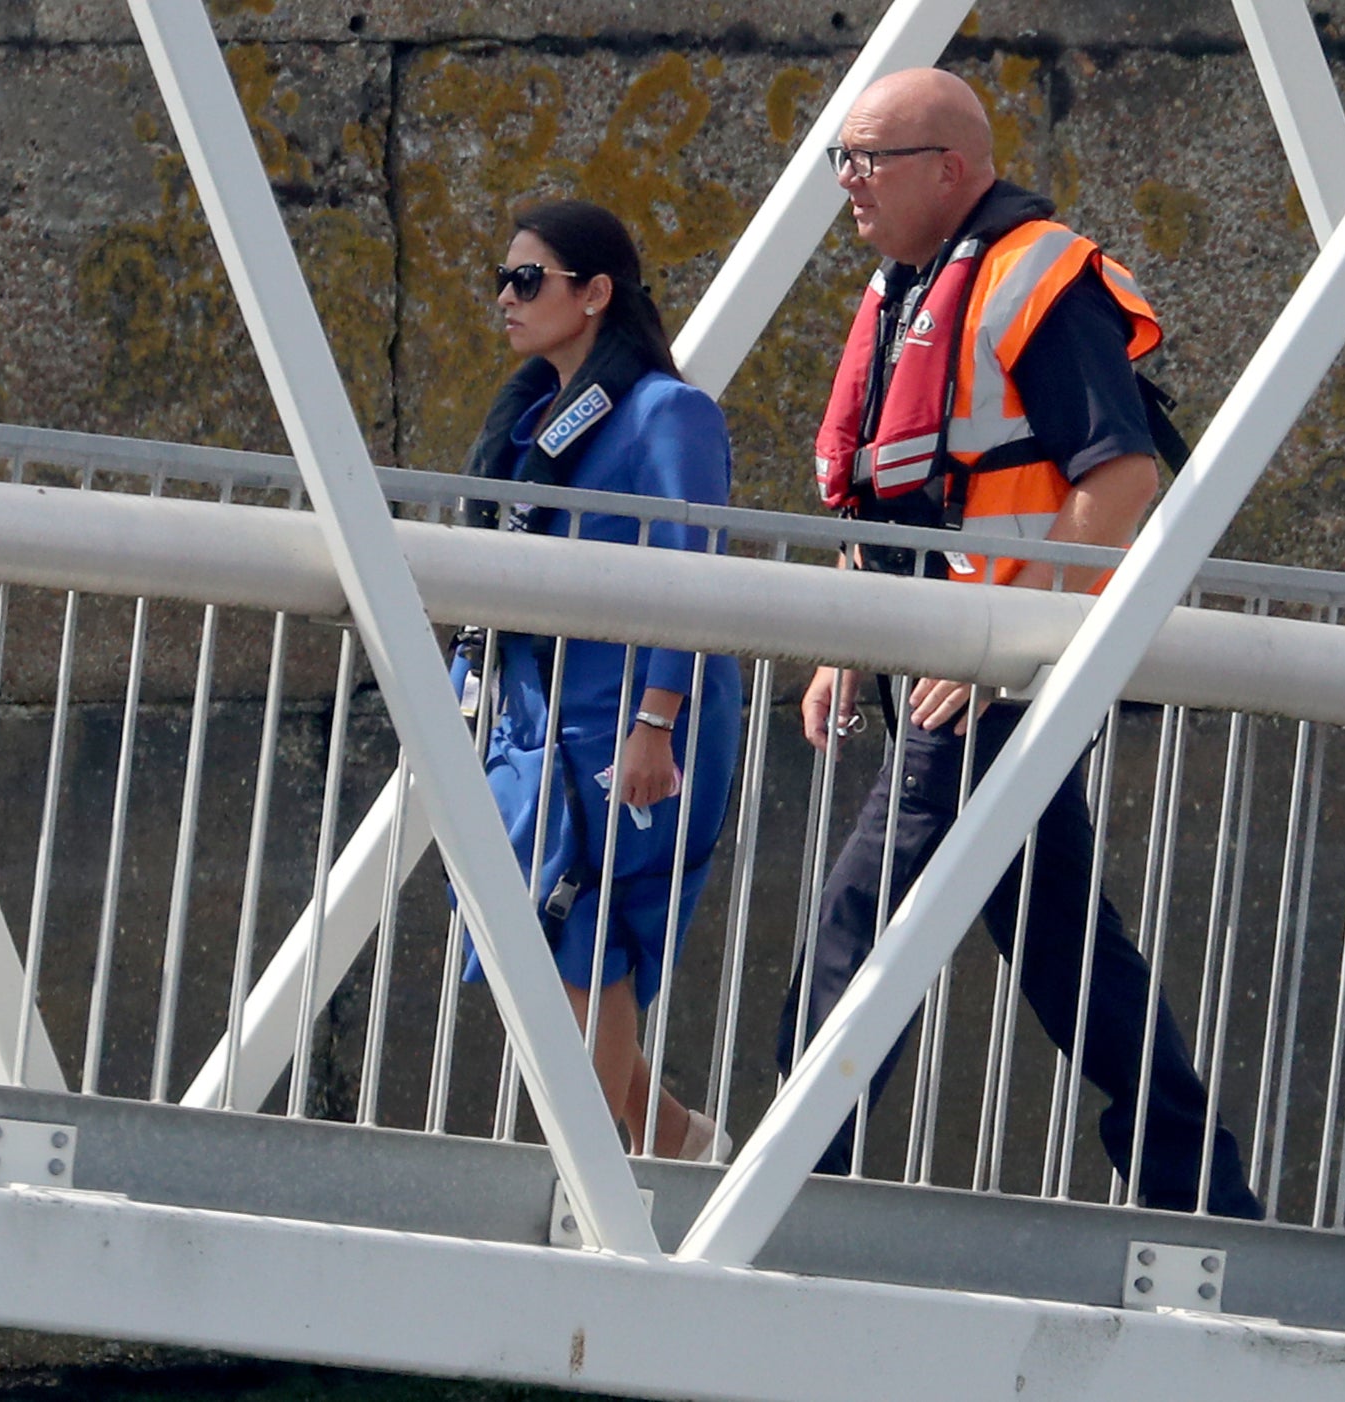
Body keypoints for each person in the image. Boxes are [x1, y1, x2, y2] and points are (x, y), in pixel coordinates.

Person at [776, 68, 1263, 1218]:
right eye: (838, 158)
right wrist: (844, 643)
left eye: (867, 159)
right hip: (942, 667)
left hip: (992, 682)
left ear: (948, 167)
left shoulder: (1040, 280)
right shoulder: (905, 291)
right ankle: (1201, 1190)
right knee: (1063, 948)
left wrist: (1017, 639)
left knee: (867, 908)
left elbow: (1121, 472)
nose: (846, 182)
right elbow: (896, 501)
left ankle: (790, 1179)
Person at [452, 199, 742, 1162]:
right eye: (501, 278)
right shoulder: (532, 415)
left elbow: (688, 560)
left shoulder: (672, 413)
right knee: (522, 927)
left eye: (527, 279)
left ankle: (595, 1170)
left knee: (590, 931)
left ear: (596, 293)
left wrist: (658, 720)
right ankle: (664, 1135)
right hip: (536, 708)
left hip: (629, 711)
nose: (505, 296)